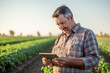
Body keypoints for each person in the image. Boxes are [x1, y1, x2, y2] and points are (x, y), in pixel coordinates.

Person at [42, 5, 100, 73]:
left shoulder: (86, 33)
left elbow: (94, 60)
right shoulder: (60, 37)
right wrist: (48, 62)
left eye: (62, 23)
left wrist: (70, 61)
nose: (61, 27)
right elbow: (53, 60)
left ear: (71, 18)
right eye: (57, 24)